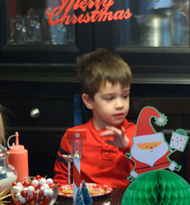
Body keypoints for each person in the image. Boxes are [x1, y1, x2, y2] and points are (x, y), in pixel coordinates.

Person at [54, 48, 136, 188]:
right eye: (110, 98)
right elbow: (62, 181)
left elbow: (155, 177)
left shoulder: (139, 134)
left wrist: (127, 147)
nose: (120, 104)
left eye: (125, 96)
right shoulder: (73, 137)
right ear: (88, 101)